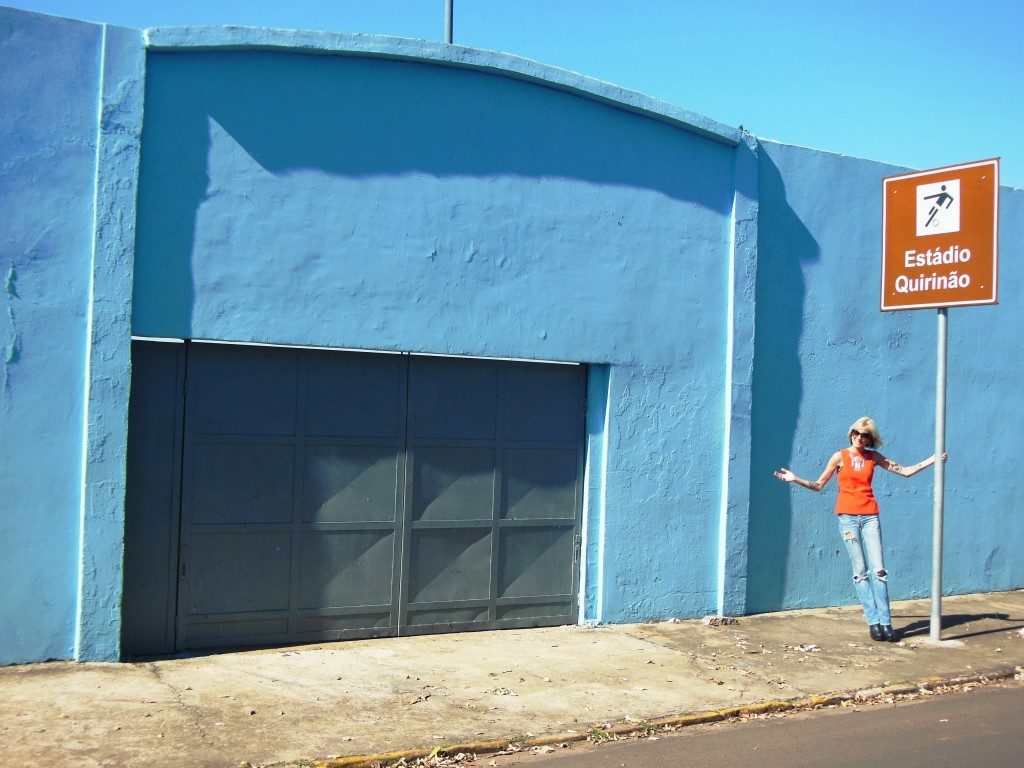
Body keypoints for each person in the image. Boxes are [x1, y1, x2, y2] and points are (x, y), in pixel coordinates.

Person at [773, 417, 947, 642]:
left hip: (870, 517)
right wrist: (794, 479)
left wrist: (933, 460)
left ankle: (886, 623)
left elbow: (904, 471)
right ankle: (873, 623)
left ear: (869, 438)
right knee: (860, 572)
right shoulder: (840, 456)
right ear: (851, 434)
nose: (859, 437)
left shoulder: (873, 457)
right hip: (847, 519)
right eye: (856, 433)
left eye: (864, 435)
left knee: (879, 571)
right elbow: (818, 485)